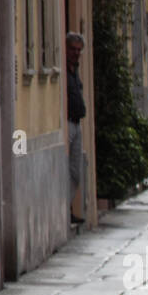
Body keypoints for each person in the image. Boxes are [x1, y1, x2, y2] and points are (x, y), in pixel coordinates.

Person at [65, 32, 86, 226]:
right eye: (72, 49)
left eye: (79, 50)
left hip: (77, 123)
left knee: (75, 172)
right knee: (68, 171)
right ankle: (65, 211)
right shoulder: (64, 70)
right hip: (67, 123)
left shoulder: (75, 69)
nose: (76, 53)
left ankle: (68, 207)